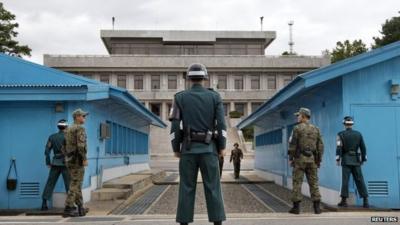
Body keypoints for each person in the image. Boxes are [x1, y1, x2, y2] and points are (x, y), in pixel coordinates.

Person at [169, 63, 226, 225]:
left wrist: (176, 148)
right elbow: (221, 124)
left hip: (188, 149)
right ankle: (217, 222)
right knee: (213, 187)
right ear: (204, 78)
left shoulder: (179, 97)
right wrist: (222, 146)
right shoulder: (215, 97)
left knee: (186, 187)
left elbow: (175, 126)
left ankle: (184, 222)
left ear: (189, 78)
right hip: (209, 149)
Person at [288, 107, 324, 214]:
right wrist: (318, 160)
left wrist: (291, 158)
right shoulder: (316, 129)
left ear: (303, 116)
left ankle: (296, 208)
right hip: (312, 159)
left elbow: (293, 144)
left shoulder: (297, 128)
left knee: (297, 182)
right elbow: (320, 146)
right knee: (314, 183)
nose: (297, 117)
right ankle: (317, 208)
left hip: (299, 160)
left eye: (298, 115)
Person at [336, 116, 369, 208]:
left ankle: (344, 201)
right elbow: (363, 148)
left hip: (346, 160)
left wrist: (338, 159)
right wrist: (363, 159)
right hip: (356, 160)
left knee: (345, 180)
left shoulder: (340, 134)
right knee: (360, 180)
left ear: (344, 124)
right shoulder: (358, 134)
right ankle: (365, 201)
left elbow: (339, 148)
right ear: (352, 124)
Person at [63, 109, 89, 217]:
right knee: (75, 183)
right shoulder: (80, 128)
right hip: (77, 160)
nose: (84, 118)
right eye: (83, 116)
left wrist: (67, 157)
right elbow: (81, 146)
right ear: (77, 117)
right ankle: (68, 207)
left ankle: (80, 207)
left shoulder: (68, 129)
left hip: (69, 159)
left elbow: (63, 146)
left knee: (76, 183)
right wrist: (84, 158)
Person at [41, 119, 70, 211]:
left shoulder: (52, 137)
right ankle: (69, 205)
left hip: (55, 163)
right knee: (69, 184)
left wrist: (48, 162)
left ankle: (44, 203)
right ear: (66, 126)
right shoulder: (69, 137)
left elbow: (47, 151)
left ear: (58, 127)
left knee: (50, 183)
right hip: (66, 163)